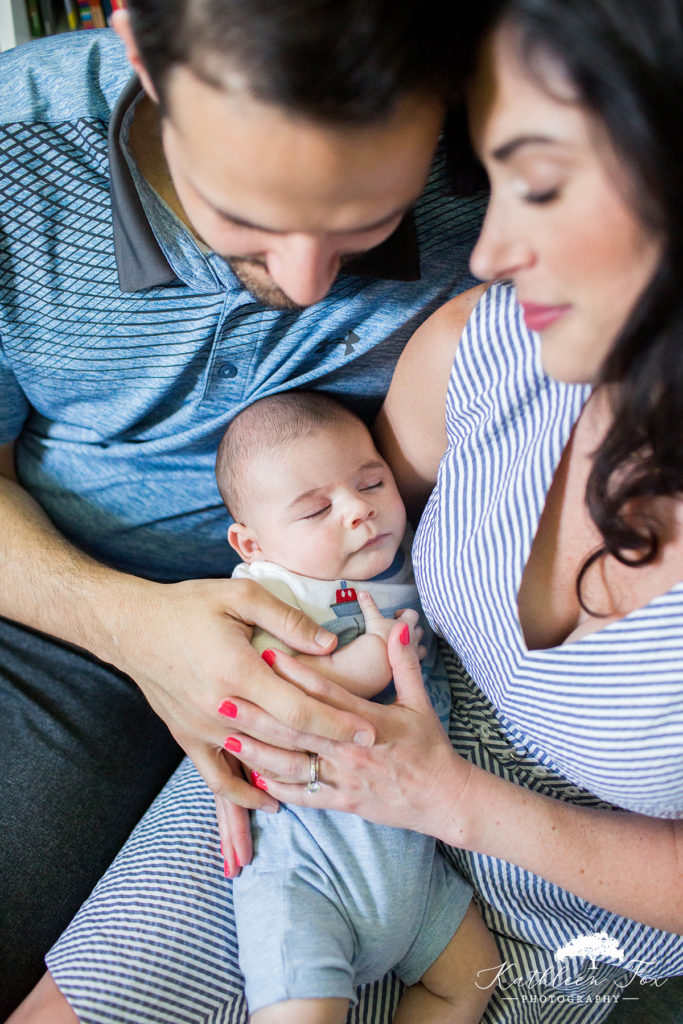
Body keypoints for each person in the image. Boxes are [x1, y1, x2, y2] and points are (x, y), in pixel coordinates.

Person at [28, 0, 683, 1022]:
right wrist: (185, 648)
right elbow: (358, 536)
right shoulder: (489, 343)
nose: (489, 245)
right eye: (496, 181)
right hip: (309, 765)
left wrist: (453, 800)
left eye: (540, 187)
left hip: (565, 886)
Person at [0, 0, 491, 1013]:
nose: (308, 280)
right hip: (61, 602)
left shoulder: (494, 156)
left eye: (368, 219)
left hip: (332, 612)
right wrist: (128, 623)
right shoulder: (16, 158)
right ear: (139, 47)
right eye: (247, 216)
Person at [216, 389, 497, 1022]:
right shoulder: (271, 589)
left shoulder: (419, 558)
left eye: (372, 482)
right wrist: (366, 666)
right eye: (316, 510)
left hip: (417, 874)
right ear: (251, 543)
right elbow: (270, 690)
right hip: (310, 862)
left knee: (471, 980)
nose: (358, 512)